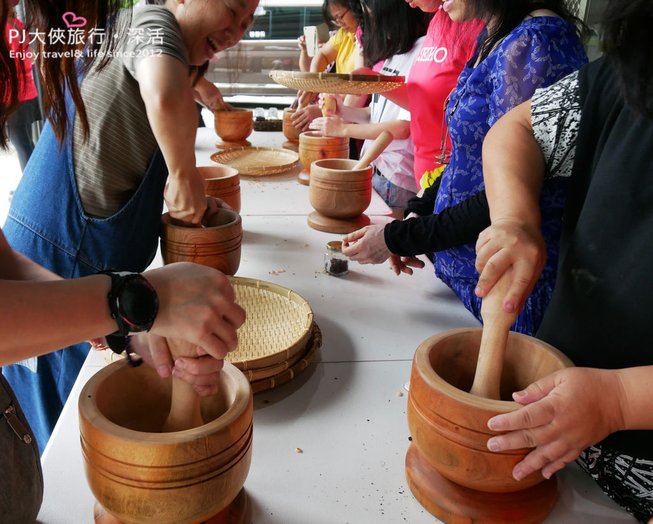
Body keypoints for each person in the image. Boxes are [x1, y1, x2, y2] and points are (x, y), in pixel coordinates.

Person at [0, 1, 248, 521]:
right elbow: (161, 89)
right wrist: (129, 299)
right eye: (232, 6)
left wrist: (124, 323)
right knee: (59, 419)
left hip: (59, 261)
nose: (238, 27)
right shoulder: (153, 20)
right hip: (61, 244)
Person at [474, 1, 653, 520]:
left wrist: (619, 399)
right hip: (563, 438)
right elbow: (516, 132)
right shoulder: (632, 73)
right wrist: (514, 219)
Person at [343, 0, 587, 336]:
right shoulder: (497, 34)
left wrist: (398, 237)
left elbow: (508, 195)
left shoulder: (536, 44)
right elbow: (466, 158)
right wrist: (417, 213)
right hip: (467, 284)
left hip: (508, 296)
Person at [309, 0, 431, 216]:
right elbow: (376, 114)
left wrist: (343, 129)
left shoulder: (423, 51)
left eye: (372, 18)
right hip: (377, 170)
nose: (369, 27)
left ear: (393, 16)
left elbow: (403, 127)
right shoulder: (394, 53)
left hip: (397, 179)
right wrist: (343, 112)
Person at [291, 0, 361, 131]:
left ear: (355, 7)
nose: (339, 23)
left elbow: (359, 90)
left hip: (353, 115)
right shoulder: (344, 34)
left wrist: (323, 109)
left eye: (340, 17)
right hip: (336, 107)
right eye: (335, 19)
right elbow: (322, 55)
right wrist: (313, 84)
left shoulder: (366, 38)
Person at [4, 1, 41, 171]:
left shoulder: (6, 28)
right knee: (25, 142)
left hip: (14, 97)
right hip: (27, 91)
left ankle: (32, 186)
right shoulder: (17, 25)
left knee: (21, 144)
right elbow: (27, 60)